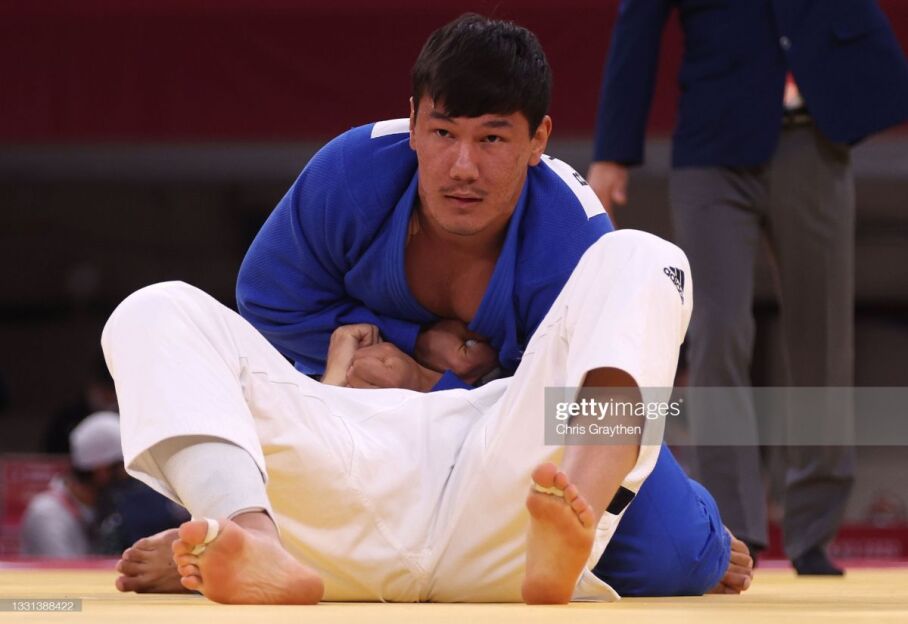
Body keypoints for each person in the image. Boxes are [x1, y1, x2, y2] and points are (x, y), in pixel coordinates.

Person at [111, 14, 752, 599]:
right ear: (414, 122)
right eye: (444, 133)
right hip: (352, 452)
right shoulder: (353, 175)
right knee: (156, 310)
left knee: (647, 259)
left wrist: (428, 380)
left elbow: (582, 402)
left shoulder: (568, 230)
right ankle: (254, 537)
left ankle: (573, 521)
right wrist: (411, 341)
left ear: (538, 139)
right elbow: (269, 304)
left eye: (493, 138)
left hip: (504, 481)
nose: (463, 166)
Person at [587, 0, 908, 574]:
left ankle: (813, 531)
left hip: (814, 138)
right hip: (713, 140)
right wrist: (612, 151)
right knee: (717, 332)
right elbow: (639, 20)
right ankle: (733, 527)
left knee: (822, 335)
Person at [21, 411, 126, 557]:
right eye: (122, 467)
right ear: (101, 470)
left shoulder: (106, 507)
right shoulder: (48, 514)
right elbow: (61, 571)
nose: (127, 475)